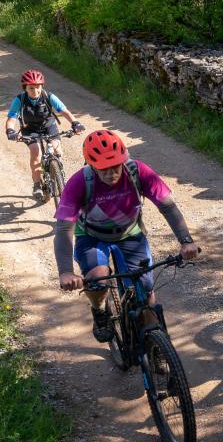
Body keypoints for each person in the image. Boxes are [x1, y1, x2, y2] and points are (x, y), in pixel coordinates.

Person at [54, 129, 199, 342]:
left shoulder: (138, 171)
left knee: (146, 289)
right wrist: (66, 272)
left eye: (115, 166)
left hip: (129, 233)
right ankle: (99, 310)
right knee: (97, 279)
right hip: (92, 236)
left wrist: (186, 241)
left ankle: (155, 344)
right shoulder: (79, 182)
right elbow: (64, 229)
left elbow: (168, 207)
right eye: (103, 168)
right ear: (91, 165)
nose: (111, 172)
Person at [5, 69, 85, 200]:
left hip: (48, 126)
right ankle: (37, 184)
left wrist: (75, 123)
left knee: (56, 148)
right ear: (25, 87)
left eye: (37, 87)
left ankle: (57, 173)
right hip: (29, 129)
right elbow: (12, 118)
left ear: (42, 86)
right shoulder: (19, 100)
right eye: (31, 88)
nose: (35, 91)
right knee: (35, 151)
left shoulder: (49, 96)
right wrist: (10, 130)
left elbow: (64, 111)